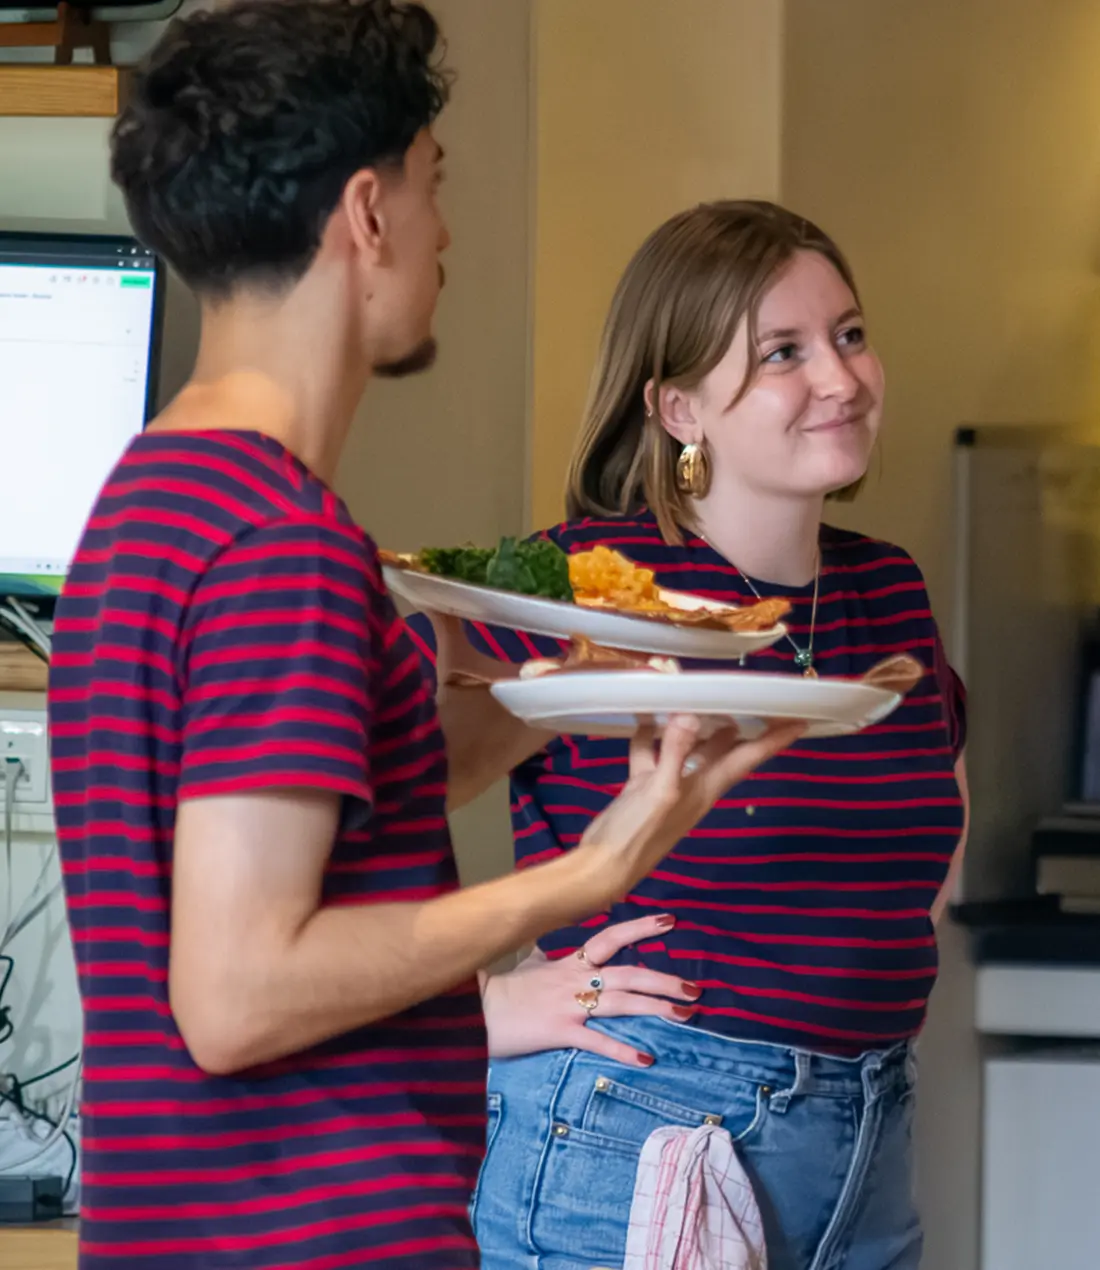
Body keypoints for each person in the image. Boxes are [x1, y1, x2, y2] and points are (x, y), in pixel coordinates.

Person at [45, 11, 802, 1270]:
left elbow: (349, 801)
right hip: (310, 1241)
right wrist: (590, 871)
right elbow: (235, 995)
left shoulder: (154, 497)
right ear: (367, 213)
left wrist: (578, 680)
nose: (444, 233)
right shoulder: (276, 543)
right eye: (432, 183)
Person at [418, 201, 969, 1270]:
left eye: (848, 335)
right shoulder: (580, 586)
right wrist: (477, 1010)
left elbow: (916, 856)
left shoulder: (887, 589)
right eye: (782, 353)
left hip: (870, 1138)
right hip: (635, 1124)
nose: (841, 378)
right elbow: (354, 817)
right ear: (678, 407)